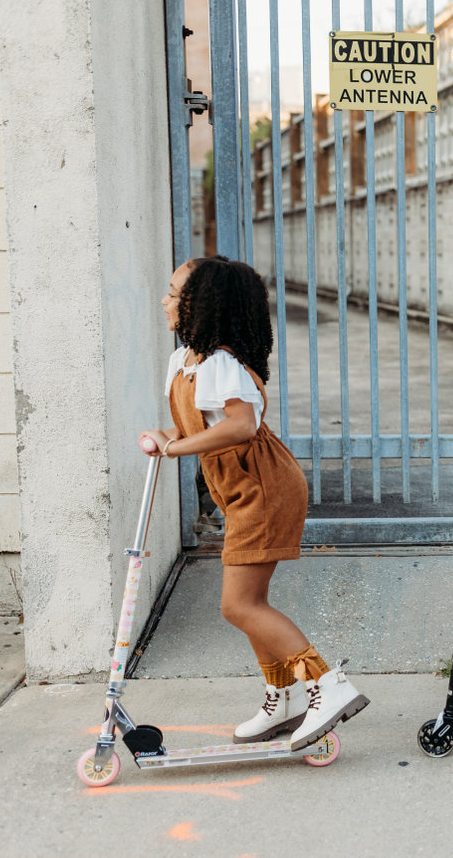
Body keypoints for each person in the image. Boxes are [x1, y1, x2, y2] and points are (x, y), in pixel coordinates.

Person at [139, 256, 369, 749]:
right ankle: (283, 696)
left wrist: (176, 447)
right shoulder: (185, 362)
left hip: (264, 489)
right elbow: (195, 427)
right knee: (250, 602)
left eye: (176, 293)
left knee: (238, 605)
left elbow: (241, 426)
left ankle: (327, 687)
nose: (166, 300)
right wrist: (164, 436)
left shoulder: (223, 364)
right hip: (242, 490)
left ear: (205, 304)